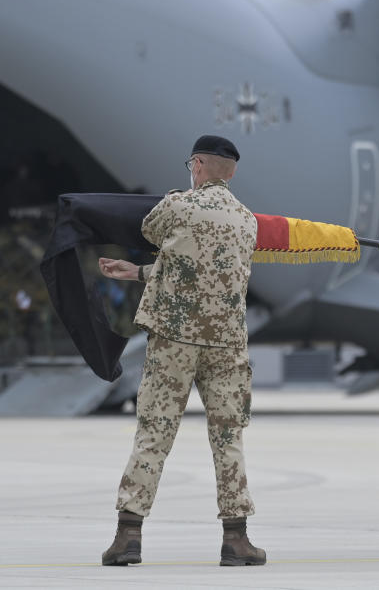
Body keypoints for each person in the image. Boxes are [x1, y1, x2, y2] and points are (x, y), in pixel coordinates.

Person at [97, 135, 265, 568]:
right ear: (233, 171)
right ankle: (237, 539)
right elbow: (199, 270)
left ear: (198, 165)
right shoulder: (247, 221)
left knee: (154, 433)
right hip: (226, 343)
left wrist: (142, 260)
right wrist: (138, 273)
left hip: (175, 338)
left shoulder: (178, 206)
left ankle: (128, 535)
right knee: (228, 438)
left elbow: (152, 232)